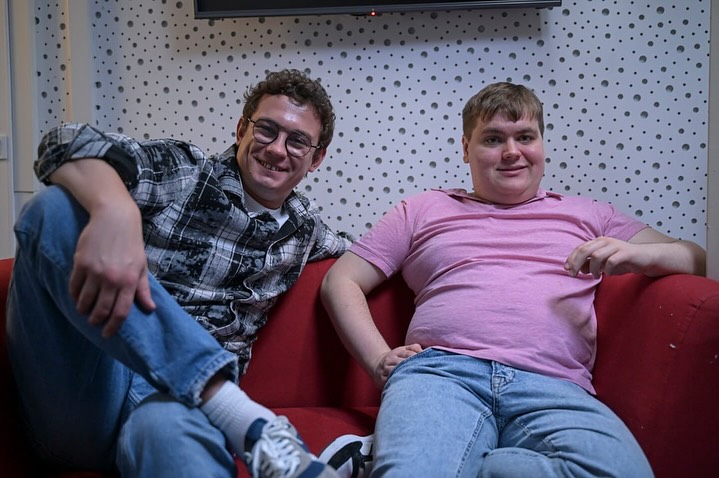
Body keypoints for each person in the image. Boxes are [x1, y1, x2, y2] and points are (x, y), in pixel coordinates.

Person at [320, 81, 706, 477]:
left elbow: (696, 258)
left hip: (554, 386)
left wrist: (639, 253)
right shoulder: (422, 209)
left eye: (525, 137)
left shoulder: (591, 215)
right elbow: (341, 281)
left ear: (542, 144)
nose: (511, 152)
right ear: (466, 148)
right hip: (442, 375)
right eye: (493, 139)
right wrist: (378, 361)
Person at [6, 69, 352, 478]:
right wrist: (114, 207)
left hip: (174, 408)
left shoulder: (305, 231)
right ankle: (240, 416)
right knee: (52, 210)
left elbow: (379, 254)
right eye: (266, 130)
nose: (277, 149)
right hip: (91, 386)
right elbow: (65, 141)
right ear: (242, 129)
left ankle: (230, 414)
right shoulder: (187, 172)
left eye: (297, 141)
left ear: (316, 158)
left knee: (167, 429)